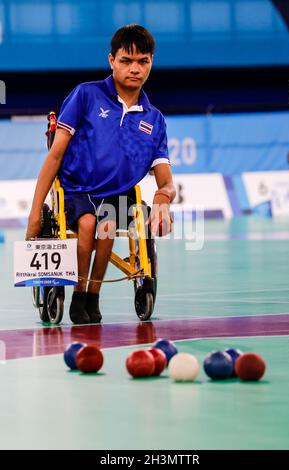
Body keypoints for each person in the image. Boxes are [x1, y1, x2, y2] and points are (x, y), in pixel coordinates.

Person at [26, 24, 176, 324]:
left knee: (106, 222)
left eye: (143, 61)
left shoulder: (154, 119)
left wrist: (162, 199)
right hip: (77, 188)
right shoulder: (86, 95)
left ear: (151, 63)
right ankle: (79, 294)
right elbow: (55, 154)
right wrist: (34, 213)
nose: (135, 69)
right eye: (126, 61)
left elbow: (167, 180)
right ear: (112, 61)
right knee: (88, 221)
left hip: (118, 195)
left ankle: (92, 295)